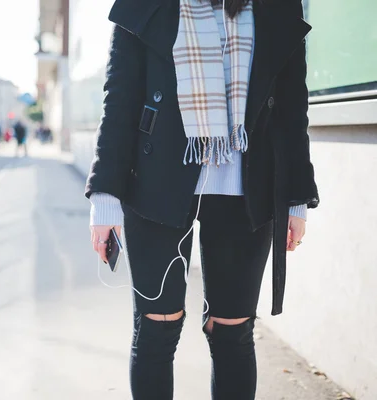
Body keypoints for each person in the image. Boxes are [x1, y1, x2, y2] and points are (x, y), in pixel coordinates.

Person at [85, 0, 319, 399]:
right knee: (157, 328)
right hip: (156, 184)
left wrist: (295, 198)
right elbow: (119, 98)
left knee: (233, 332)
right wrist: (105, 195)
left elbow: (292, 106)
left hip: (246, 188)